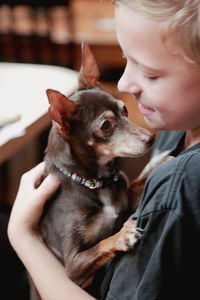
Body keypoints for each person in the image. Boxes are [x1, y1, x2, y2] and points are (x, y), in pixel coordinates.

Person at [7, 0, 200, 299]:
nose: (123, 82)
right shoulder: (176, 129)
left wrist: (21, 234)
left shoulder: (181, 186)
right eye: (126, 60)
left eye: (150, 73)